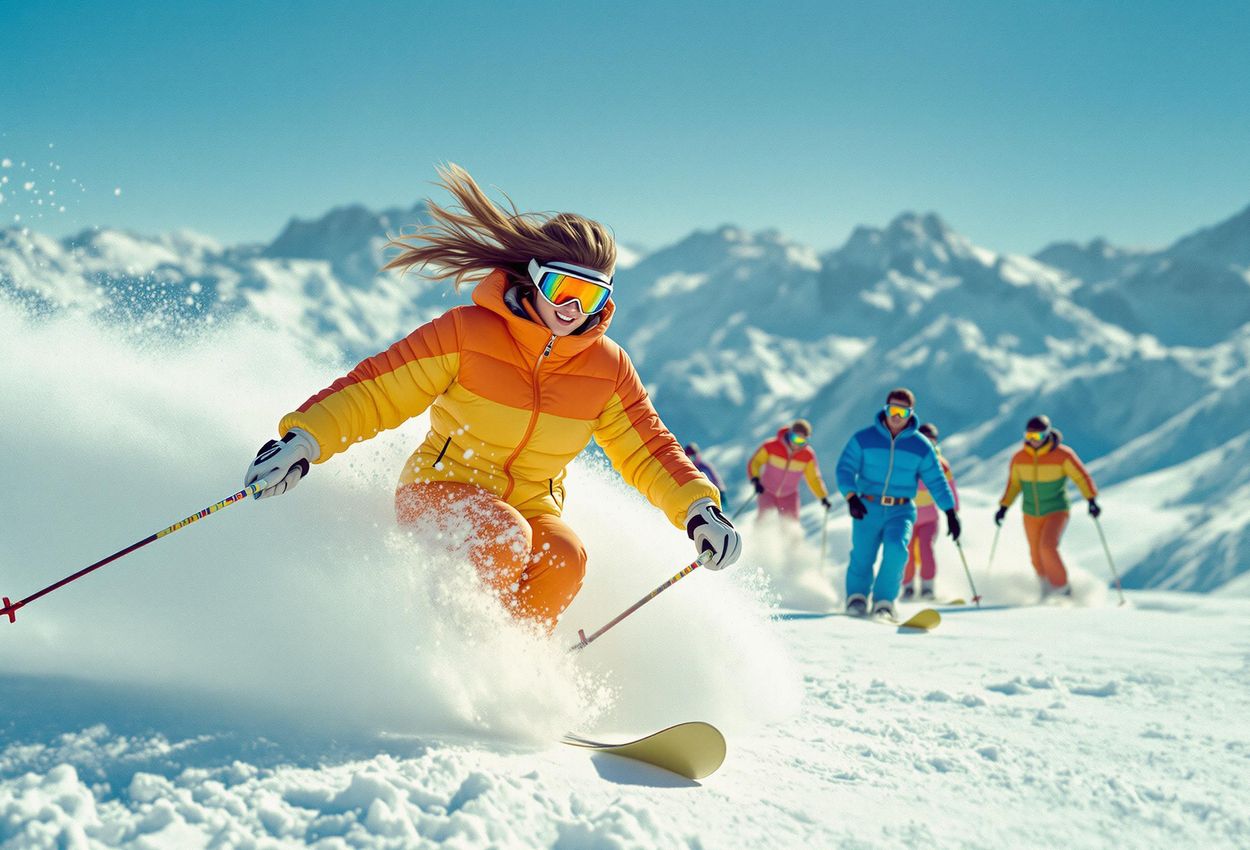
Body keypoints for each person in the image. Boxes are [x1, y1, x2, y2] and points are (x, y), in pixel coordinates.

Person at [242, 164, 741, 630]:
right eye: (560, 287)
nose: (570, 307)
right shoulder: (466, 333)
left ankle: (514, 673)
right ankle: (450, 649)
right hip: (440, 491)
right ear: (532, 279)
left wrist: (698, 508)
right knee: (503, 538)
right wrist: (303, 441)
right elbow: (377, 391)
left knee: (564, 558)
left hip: (534, 506)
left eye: (586, 296)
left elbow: (648, 449)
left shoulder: (607, 369)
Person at [835, 389, 960, 618]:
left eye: (902, 411)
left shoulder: (921, 446)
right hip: (867, 506)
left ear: (911, 413)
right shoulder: (864, 439)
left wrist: (950, 512)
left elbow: (936, 480)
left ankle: (884, 601)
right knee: (863, 555)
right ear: (885, 408)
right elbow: (845, 468)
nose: (897, 415)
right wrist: (851, 496)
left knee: (897, 550)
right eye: (893, 409)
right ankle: (857, 598)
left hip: (901, 509)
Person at [996, 415, 1099, 599]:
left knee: (1047, 547)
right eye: (1029, 436)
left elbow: (1081, 477)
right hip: (1030, 512)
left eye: (1038, 437)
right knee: (1036, 554)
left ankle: (1063, 588)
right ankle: (1045, 589)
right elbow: (1014, 485)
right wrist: (1004, 507)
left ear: (1047, 435)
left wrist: (1091, 500)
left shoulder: (1063, 455)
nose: (1033, 441)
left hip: (1056, 510)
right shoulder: (1019, 458)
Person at [901, 422, 959, 601]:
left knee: (926, 550)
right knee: (907, 552)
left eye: (931, 441)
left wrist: (953, 514)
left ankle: (927, 587)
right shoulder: (909, 461)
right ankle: (908, 587)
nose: (928, 445)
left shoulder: (942, 465)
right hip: (908, 517)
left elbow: (949, 489)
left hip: (929, 518)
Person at [746, 419, 831, 521]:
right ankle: (759, 536)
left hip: (789, 495)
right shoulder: (771, 446)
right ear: (789, 434)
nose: (796, 444)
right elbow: (755, 462)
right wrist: (755, 479)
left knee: (791, 524)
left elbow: (813, 478)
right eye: (794, 438)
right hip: (767, 491)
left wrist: (823, 497)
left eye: (801, 441)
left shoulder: (808, 455)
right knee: (765, 520)